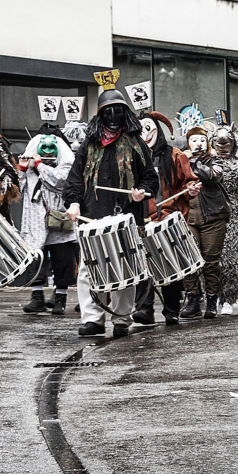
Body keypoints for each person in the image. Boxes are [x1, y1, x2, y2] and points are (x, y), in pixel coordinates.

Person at [64, 82, 159, 339]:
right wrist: (73, 203)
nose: (113, 117)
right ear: (100, 115)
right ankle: (93, 319)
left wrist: (141, 190)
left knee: (123, 266)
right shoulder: (89, 145)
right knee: (88, 268)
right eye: (108, 112)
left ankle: (121, 318)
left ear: (125, 113)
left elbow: (151, 178)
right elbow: (75, 178)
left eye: (118, 111)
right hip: (92, 215)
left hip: (125, 215)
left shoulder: (136, 143)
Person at [132, 110, 199, 326]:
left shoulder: (176, 155)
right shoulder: (133, 158)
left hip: (167, 217)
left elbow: (189, 180)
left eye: (148, 128)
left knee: (169, 265)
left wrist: (191, 189)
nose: (145, 134)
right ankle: (144, 309)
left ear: (157, 130)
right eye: (140, 130)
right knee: (143, 267)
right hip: (141, 219)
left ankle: (171, 310)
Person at [18, 132, 79, 316]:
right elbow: (21, 189)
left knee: (63, 258)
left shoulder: (65, 165)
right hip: (35, 220)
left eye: (52, 149)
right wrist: (21, 170)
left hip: (58, 217)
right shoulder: (30, 168)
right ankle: (37, 297)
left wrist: (40, 165)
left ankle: (60, 298)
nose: (48, 152)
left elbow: (58, 181)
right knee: (36, 259)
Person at [179, 125, 231, 320]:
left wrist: (191, 162)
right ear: (187, 144)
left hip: (213, 217)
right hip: (188, 216)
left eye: (201, 140)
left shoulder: (215, 160)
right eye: (193, 140)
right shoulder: (180, 161)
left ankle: (211, 299)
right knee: (189, 259)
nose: (198, 144)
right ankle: (193, 299)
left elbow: (212, 176)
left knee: (211, 261)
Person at [211, 125, 238, 315]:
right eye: (219, 144)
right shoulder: (207, 161)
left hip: (236, 217)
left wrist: (214, 172)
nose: (223, 148)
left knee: (233, 260)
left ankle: (229, 297)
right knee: (213, 259)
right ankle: (214, 294)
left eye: (227, 144)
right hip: (213, 215)